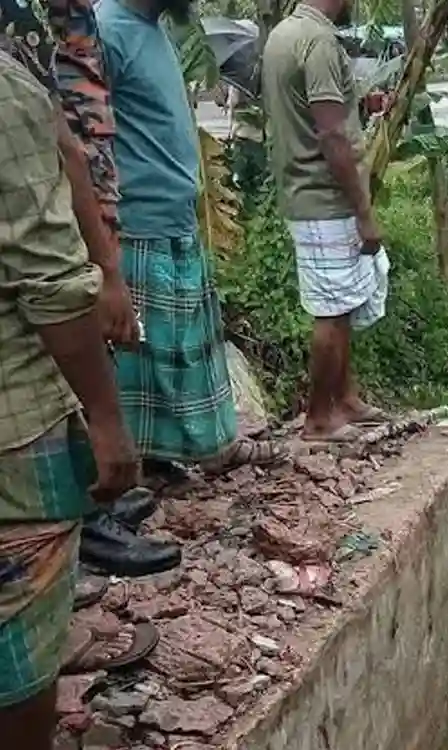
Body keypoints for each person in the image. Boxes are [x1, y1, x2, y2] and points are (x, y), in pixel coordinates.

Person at [0, 0, 181, 578]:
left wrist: (104, 261)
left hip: (73, 197)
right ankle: (78, 536)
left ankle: (85, 518)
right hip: (43, 220)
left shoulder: (49, 16)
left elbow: (67, 141)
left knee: (78, 351)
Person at [0, 40, 143, 749]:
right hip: (13, 424)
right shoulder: (4, 90)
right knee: (20, 653)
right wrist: (108, 420)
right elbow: (50, 285)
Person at [96, 0, 285, 471]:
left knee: (183, 349)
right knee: (142, 359)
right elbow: (86, 143)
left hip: (173, 217)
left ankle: (210, 445)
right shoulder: (105, 31)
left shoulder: (153, 29)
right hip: (137, 222)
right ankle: (135, 471)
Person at [261, 0, 392, 442]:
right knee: (332, 311)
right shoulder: (317, 42)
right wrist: (364, 212)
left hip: (306, 192)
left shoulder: (285, 34)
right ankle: (319, 418)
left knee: (342, 301)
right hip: (325, 197)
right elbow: (332, 135)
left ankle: (347, 400)